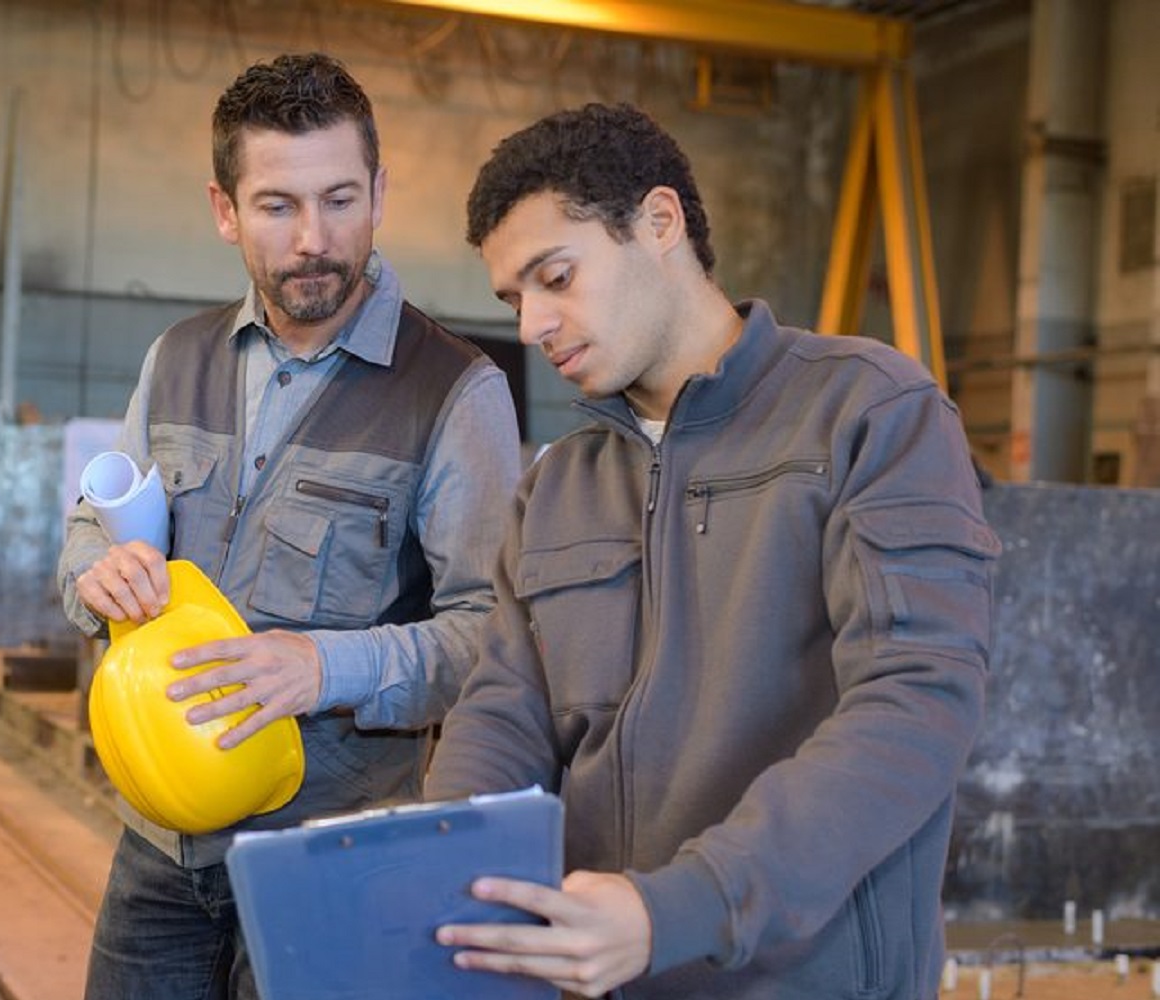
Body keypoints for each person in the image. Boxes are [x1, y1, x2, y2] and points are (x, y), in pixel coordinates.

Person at [425, 103, 1000, 999]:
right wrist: (440, 876)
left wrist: (677, 911)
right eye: (514, 298)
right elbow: (504, 713)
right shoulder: (559, 485)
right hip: (594, 978)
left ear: (660, 223)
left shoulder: (869, 412)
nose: (533, 323)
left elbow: (915, 707)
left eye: (556, 276)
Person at [57, 53, 522, 1000]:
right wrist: (94, 576)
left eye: (341, 199)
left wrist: (322, 667)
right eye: (278, 207)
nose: (316, 239)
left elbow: (495, 639)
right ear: (225, 210)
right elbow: (85, 532)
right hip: (161, 847)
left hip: (332, 859)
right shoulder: (177, 357)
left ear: (381, 193)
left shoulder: (457, 395)